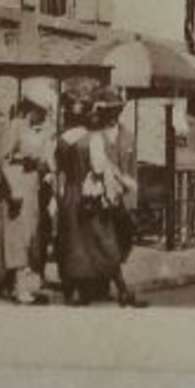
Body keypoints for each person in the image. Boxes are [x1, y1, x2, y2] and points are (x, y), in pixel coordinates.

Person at [56, 84, 144, 307]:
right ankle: (122, 290)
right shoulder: (93, 139)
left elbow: (56, 166)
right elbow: (98, 168)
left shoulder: (64, 138)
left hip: (70, 194)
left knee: (74, 243)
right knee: (104, 242)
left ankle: (75, 292)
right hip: (90, 197)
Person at [0, 82, 55, 304]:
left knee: (30, 234)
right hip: (17, 182)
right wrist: (13, 187)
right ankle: (19, 287)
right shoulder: (16, 127)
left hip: (33, 184)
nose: (44, 116)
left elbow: (43, 160)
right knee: (17, 235)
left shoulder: (40, 130)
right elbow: (3, 160)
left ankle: (11, 285)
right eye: (42, 111)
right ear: (32, 109)